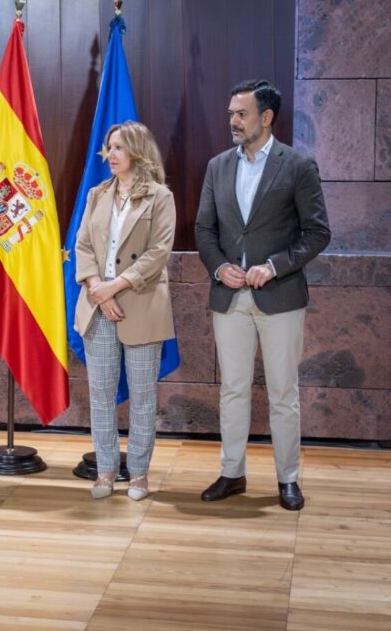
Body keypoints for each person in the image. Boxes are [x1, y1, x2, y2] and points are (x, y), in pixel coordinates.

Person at [195, 79, 330, 511]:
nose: (233, 121)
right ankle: (232, 473)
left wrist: (273, 266)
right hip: (229, 299)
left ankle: (287, 479)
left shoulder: (298, 166)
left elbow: (318, 233)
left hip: (281, 296)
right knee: (232, 390)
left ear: (266, 118)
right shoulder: (217, 166)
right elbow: (204, 229)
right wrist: (219, 267)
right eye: (231, 113)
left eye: (241, 114)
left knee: (282, 393)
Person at [73, 121, 176, 501]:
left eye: (118, 148)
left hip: (141, 304)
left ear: (137, 151)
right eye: (108, 147)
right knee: (99, 393)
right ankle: (104, 472)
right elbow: (82, 245)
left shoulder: (160, 197)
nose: (110, 155)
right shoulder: (97, 194)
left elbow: (158, 252)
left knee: (143, 394)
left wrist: (116, 286)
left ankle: (139, 474)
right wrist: (98, 289)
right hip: (98, 305)